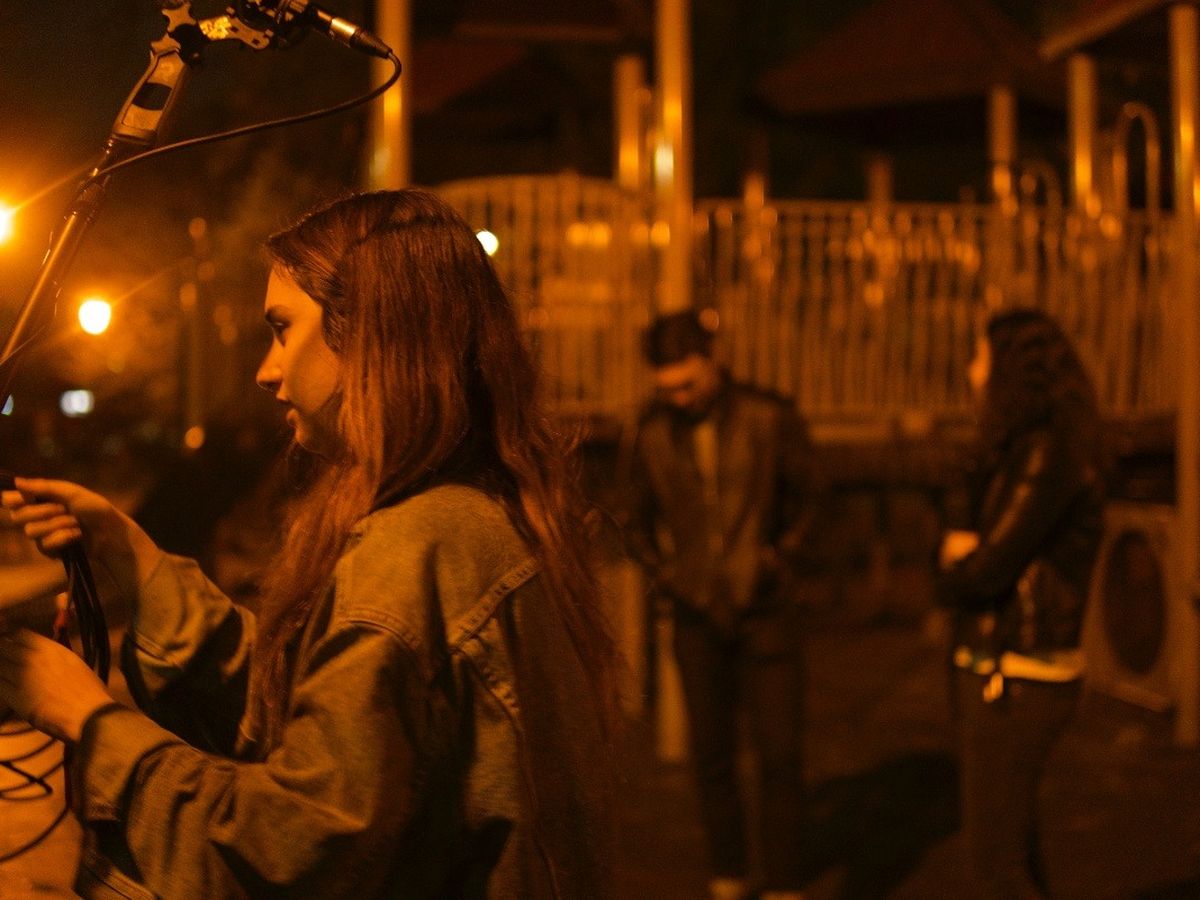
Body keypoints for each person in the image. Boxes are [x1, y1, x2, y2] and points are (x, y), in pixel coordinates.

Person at [0, 189, 618, 899]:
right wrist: (138, 563)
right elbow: (315, 717)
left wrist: (89, 719)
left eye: (282, 329)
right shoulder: (477, 515)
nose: (267, 370)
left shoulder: (415, 547)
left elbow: (291, 851)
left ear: (370, 333)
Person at [623, 309, 818, 900]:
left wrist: (779, 556)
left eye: (687, 384)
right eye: (667, 389)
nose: (679, 398)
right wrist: (666, 575)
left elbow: (813, 495)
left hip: (767, 609)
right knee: (711, 758)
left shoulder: (768, 416)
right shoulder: (651, 432)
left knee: (780, 757)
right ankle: (728, 877)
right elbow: (632, 517)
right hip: (696, 612)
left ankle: (785, 884)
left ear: (712, 361)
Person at [938, 308, 1106, 899]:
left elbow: (984, 571)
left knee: (994, 868)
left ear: (1010, 369)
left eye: (980, 358)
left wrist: (956, 565)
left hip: (1019, 673)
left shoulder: (1046, 454)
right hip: (999, 668)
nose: (970, 372)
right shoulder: (1016, 447)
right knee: (1012, 854)